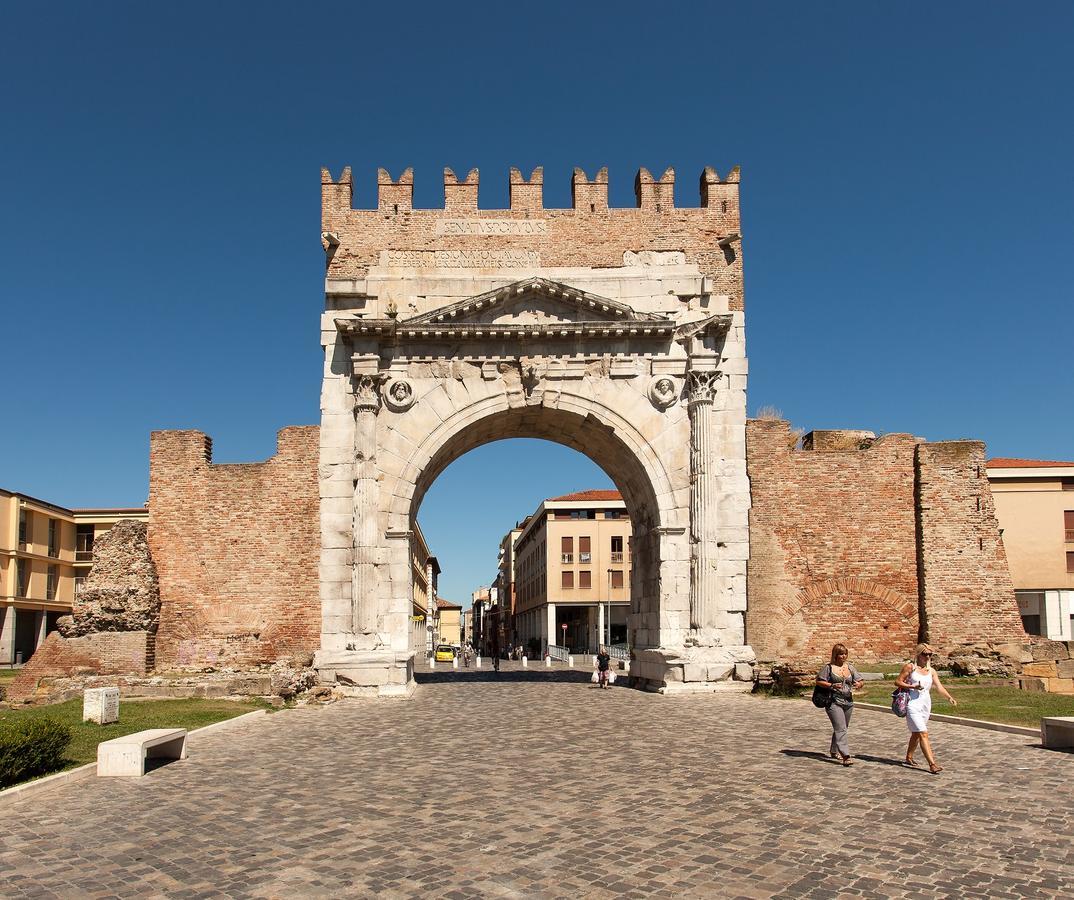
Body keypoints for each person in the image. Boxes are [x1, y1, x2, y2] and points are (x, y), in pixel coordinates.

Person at [896, 643, 956, 774]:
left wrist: (949, 697)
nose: (927, 657)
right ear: (918, 654)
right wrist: (912, 686)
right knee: (923, 733)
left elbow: (939, 687)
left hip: (925, 705)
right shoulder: (910, 667)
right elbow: (898, 681)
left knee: (916, 733)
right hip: (912, 704)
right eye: (925, 654)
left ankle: (909, 757)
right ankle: (932, 764)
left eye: (930, 654)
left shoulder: (931, 671)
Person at [815, 643, 863, 766]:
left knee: (842, 728)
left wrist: (859, 684)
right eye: (841, 654)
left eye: (845, 654)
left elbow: (860, 680)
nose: (843, 656)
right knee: (840, 728)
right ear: (835, 655)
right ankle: (845, 755)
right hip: (833, 702)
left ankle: (834, 749)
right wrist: (831, 685)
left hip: (848, 702)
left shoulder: (850, 667)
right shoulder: (829, 668)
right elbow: (819, 681)